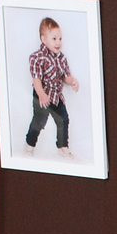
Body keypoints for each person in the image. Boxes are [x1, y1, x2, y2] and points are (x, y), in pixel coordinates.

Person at [24, 17, 80, 159]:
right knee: (39, 121)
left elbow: (64, 77)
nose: (58, 42)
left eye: (60, 38)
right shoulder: (37, 58)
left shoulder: (62, 58)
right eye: (54, 39)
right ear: (44, 39)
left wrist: (72, 81)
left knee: (63, 119)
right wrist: (41, 94)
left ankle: (62, 146)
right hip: (41, 94)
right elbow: (36, 79)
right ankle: (29, 145)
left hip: (56, 95)